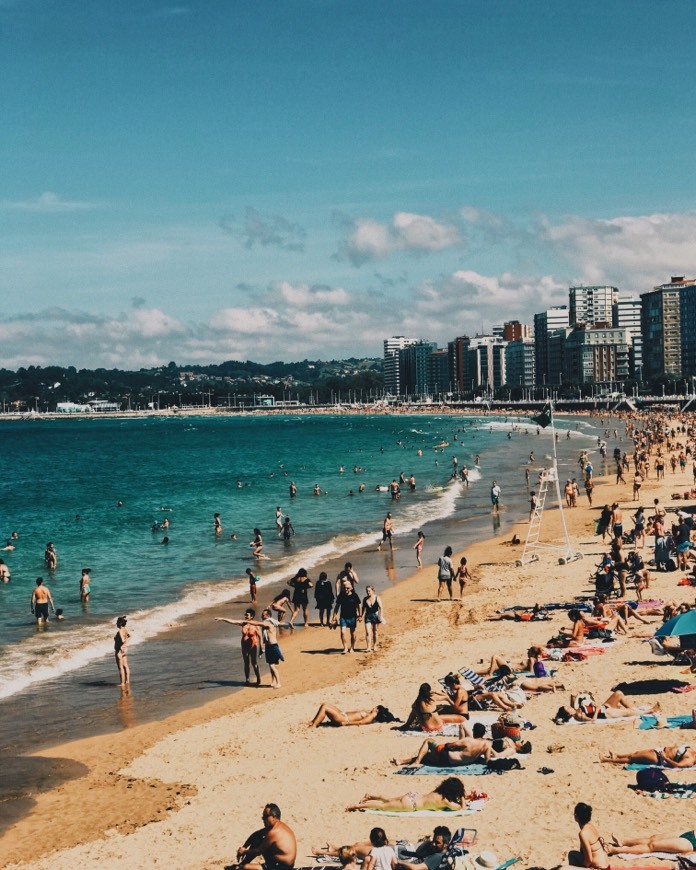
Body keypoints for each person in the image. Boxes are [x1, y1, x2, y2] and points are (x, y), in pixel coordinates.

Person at [346, 777, 467, 813]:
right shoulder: (446, 801)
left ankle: (370, 796)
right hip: (411, 804)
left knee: (389, 799)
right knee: (382, 807)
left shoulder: (439, 791)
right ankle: (356, 806)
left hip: (414, 795)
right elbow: (461, 807)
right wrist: (462, 796)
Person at [236, 803, 297, 870]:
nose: (263, 819)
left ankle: (242, 866)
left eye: (265, 817)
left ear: (273, 817)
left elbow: (258, 851)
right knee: (258, 838)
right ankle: (241, 864)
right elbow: (255, 834)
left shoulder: (274, 832)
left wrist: (244, 852)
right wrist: (244, 846)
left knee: (246, 868)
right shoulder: (279, 826)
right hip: (278, 862)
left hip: (281, 867)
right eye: (263, 817)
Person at [215, 608, 264, 686]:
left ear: (252, 616)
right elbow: (232, 621)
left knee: (254, 663)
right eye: (245, 614)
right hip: (244, 646)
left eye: (247, 615)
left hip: (253, 646)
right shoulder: (243, 623)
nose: (245, 616)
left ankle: (258, 678)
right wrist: (222, 619)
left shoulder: (256, 625)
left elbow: (260, 637)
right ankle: (247, 680)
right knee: (246, 663)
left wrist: (262, 648)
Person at [554, 690, 660, 724]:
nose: (570, 707)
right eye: (568, 708)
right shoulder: (578, 714)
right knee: (627, 713)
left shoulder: (576, 710)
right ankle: (650, 711)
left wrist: (593, 705)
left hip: (604, 707)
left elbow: (574, 699)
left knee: (618, 693)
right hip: (606, 713)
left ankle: (634, 709)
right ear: (569, 713)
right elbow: (593, 720)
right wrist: (597, 710)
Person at [571, 802, 609, 869]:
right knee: (574, 854)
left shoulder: (583, 833)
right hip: (607, 866)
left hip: (600, 868)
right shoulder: (591, 827)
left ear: (576, 816)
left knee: (571, 856)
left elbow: (589, 860)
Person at [606, 830, 696, 857]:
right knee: (653, 838)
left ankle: (615, 850)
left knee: (652, 846)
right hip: (691, 833)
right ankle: (623, 842)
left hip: (690, 843)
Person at [599, 743, 696, 767]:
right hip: (660, 751)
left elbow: (677, 765)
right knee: (635, 754)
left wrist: (664, 757)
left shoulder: (690, 760)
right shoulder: (693, 752)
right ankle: (618, 755)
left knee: (632, 759)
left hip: (659, 758)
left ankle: (607, 760)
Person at [332, 578, 362, 654]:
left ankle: (352, 647)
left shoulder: (355, 595)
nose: (346, 589)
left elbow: (359, 605)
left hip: (352, 617)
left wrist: (360, 615)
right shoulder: (341, 595)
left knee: (353, 633)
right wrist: (334, 616)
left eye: (347, 588)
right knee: (342, 632)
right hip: (343, 617)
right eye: (344, 588)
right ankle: (345, 648)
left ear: (351, 588)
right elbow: (337, 606)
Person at [309, 703, 398, 728]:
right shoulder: (371, 714)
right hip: (343, 715)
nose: (373, 707)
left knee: (324, 707)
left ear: (377, 709)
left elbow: (362, 722)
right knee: (326, 704)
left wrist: (345, 723)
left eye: (375, 707)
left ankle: (313, 725)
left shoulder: (372, 715)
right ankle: (314, 722)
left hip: (343, 718)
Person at [362, 585, 384, 652]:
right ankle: (368, 647)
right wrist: (361, 616)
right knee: (368, 632)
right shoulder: (365, 599)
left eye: (369, 591)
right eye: (367, 591)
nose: (368, 592)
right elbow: (363, 608)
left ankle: (374, 646)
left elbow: (381, 607)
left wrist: (380, 616)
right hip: (367, 616)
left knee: (375, 631)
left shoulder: (377, 598)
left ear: (373, 591)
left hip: (375, 615)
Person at [114, 615, 131, 685]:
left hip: (119, 651)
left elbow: (123, 640)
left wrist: (123, 645)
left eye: (117, 622)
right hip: (123, 651)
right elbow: (129, 636)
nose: (116, 624)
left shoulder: (120, 631)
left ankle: (122, 683)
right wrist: (125, 646)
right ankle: (127, 681)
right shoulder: (125, 629)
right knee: (126, 666)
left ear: (119, 623)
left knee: (120, 667)